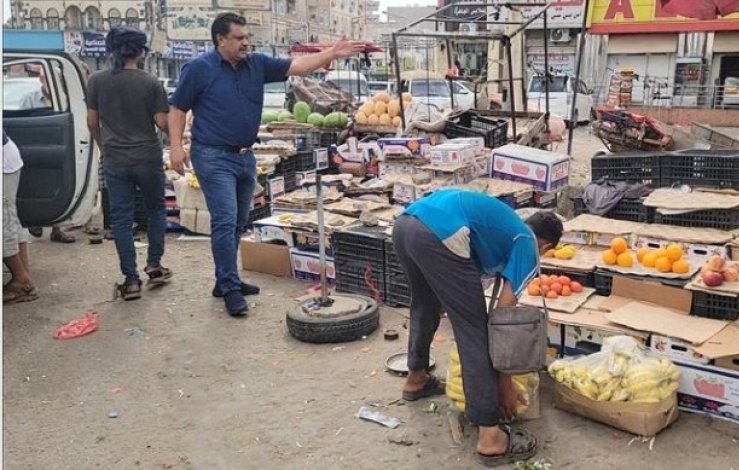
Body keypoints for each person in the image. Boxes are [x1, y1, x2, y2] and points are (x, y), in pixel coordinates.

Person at [167, 12, 365, 316]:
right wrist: (177, 147)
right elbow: (178, 109)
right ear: (221, 40)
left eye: (247, 37)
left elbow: (298, 66)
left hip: (245, 155)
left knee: (238, 221)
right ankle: (231, 287)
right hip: (212, 154)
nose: (246, 42)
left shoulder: (257, 64)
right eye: (239, 38)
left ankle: (225, 280)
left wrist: (331, 53)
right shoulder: (199, 69)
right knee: (224, 219)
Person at [391, 189, 563, 467]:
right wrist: (504, 383)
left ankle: (416, 378)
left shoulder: (507, 228)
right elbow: (503, 318)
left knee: (424, 305)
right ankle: (490, 436)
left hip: (406, 224)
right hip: (439, 230)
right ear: (546, 246)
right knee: (473, 329)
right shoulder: (527, 242)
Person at [86, 26, 173, 301]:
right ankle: (155, 265)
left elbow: (91, 122)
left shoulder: (97, 81)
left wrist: (104, 146)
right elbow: (161, 123)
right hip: (148, 157)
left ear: (112, 50)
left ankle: (131, 280)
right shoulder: (151, 82)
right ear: (141, 50)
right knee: (156, 210)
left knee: (122, 220)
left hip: (115, 159)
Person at [19, 64, 77, 243]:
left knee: (58, 185)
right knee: (35, 184)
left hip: (58, 147)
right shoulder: (29, 99)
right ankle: (36, 219)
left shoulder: (65, 100)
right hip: (36, 147)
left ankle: (57, 228)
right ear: (41, 80)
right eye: (45, 78)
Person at [3, 130, 38, 304]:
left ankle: (21, 280)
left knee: (5, 225)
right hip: (8, 159)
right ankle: (25, 278)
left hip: (3, 163)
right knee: (11, 222)